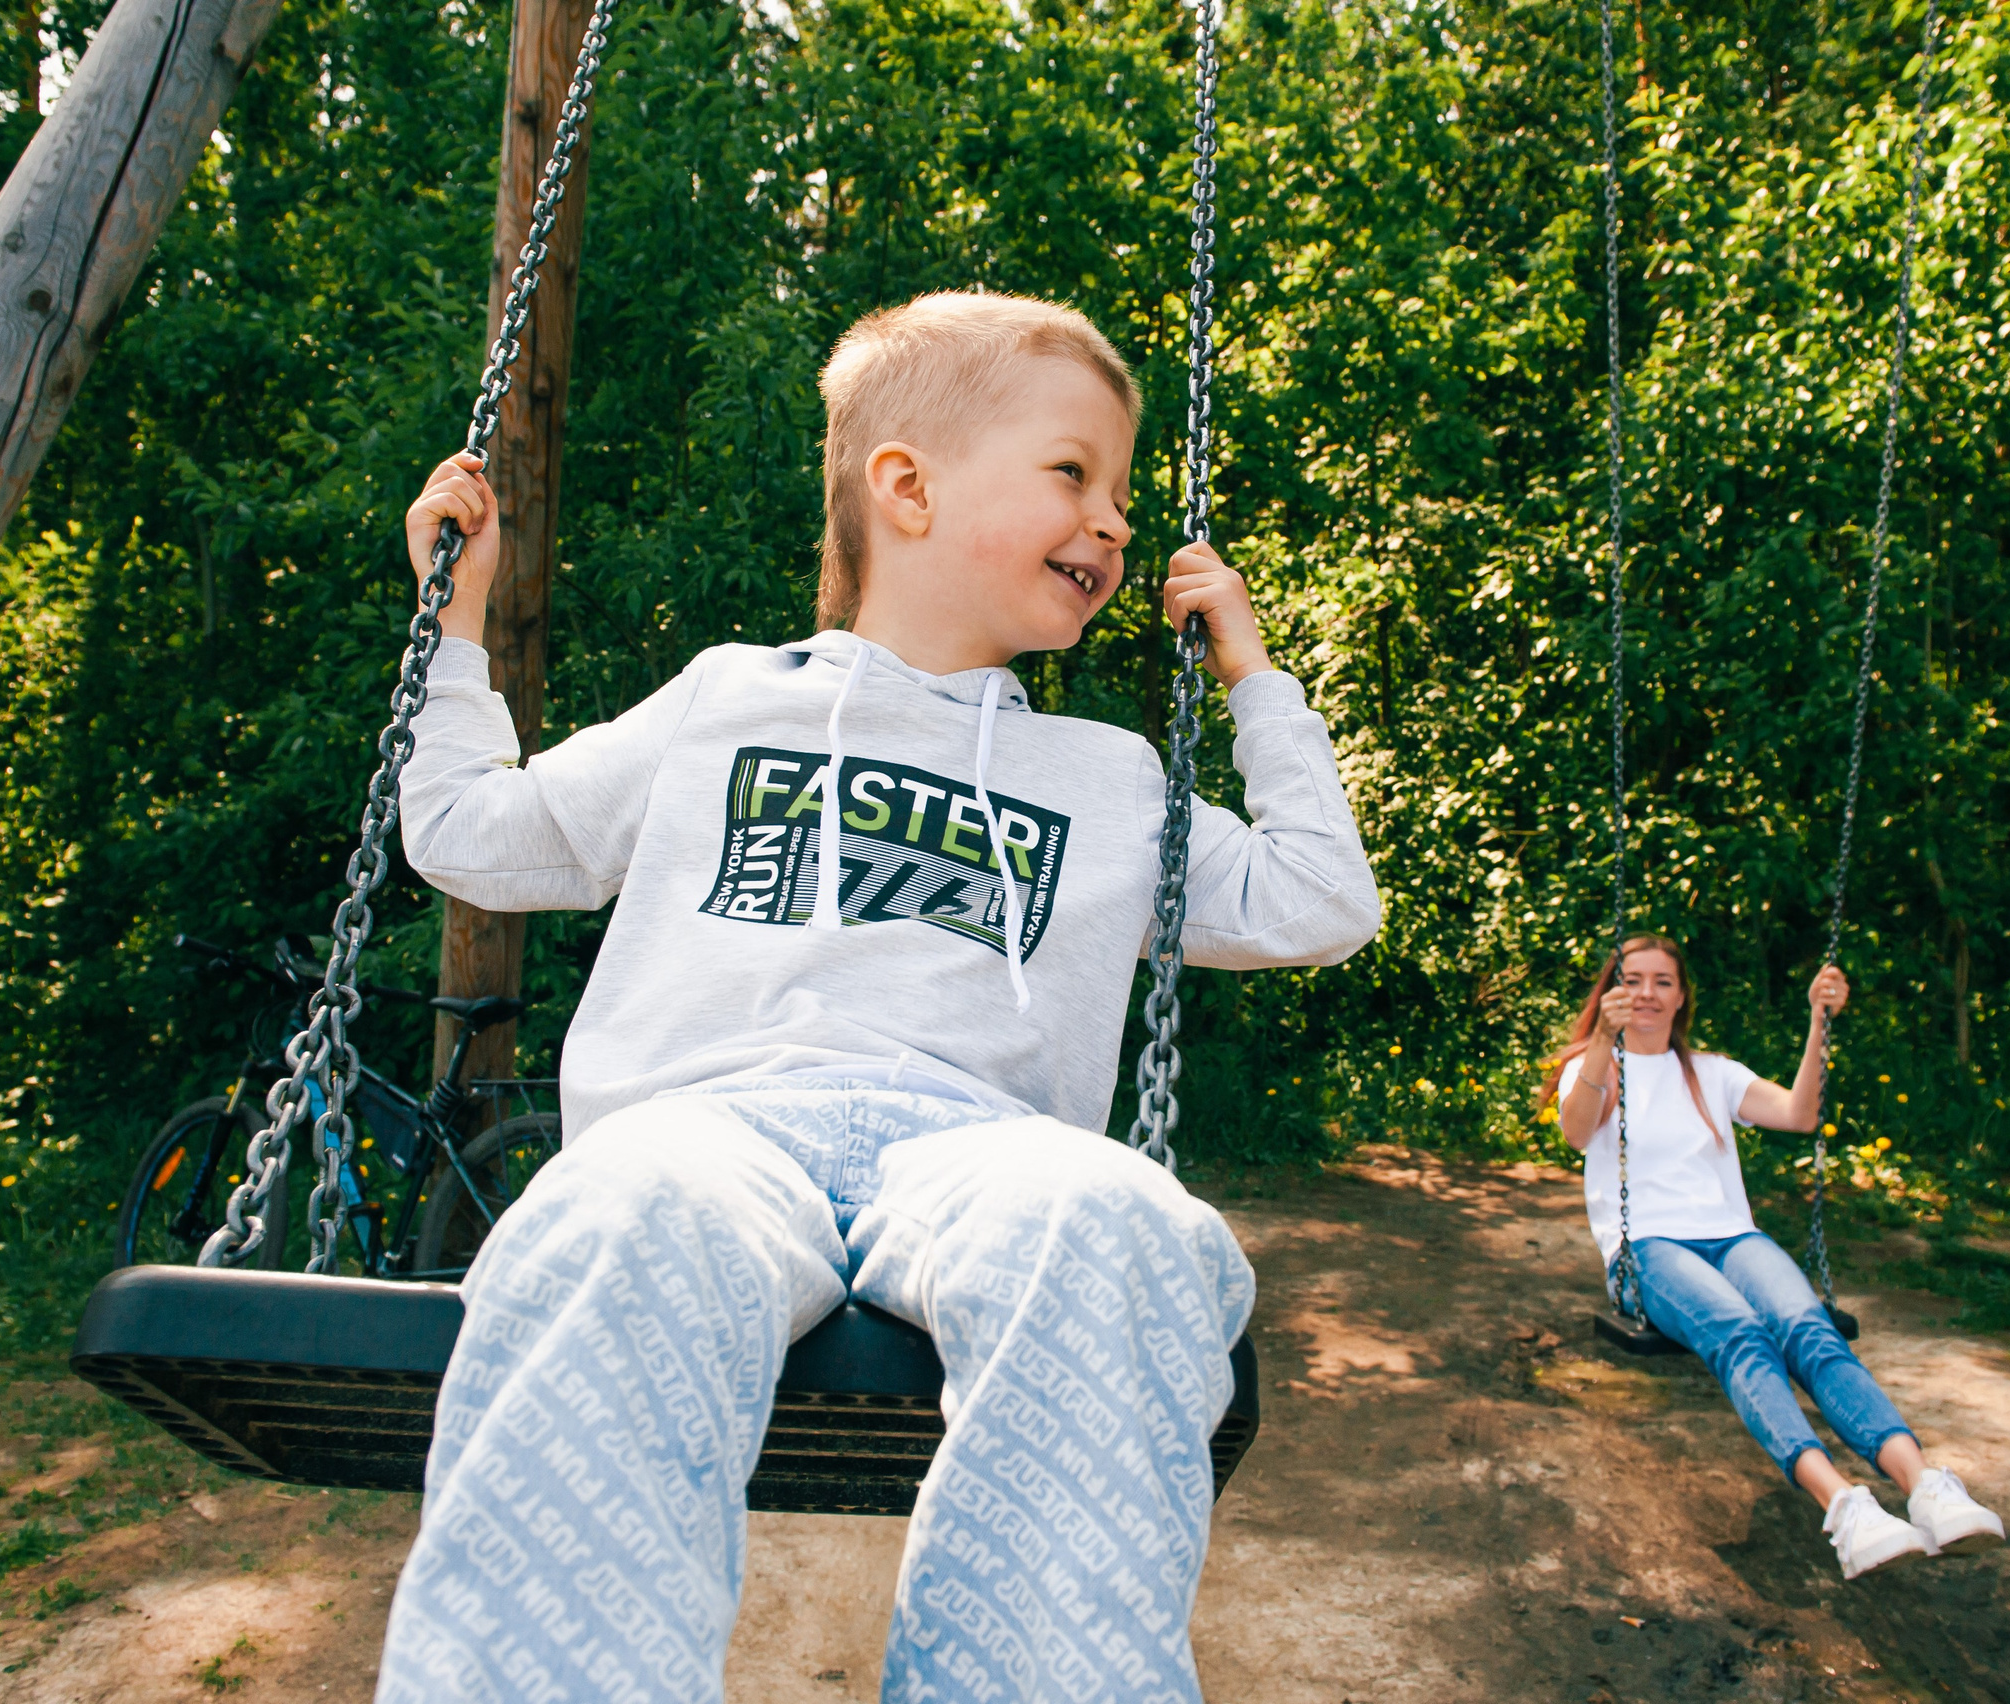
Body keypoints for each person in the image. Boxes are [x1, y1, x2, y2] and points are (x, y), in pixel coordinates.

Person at [379, 290, 1382, 1701]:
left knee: (1122, 1225)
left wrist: (1256, 681)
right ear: (903, 486)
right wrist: (456, 624)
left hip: (983, 1148)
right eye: (1072, 474)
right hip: (708, 1125)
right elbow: (475, 833)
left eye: (1121, 493)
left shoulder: (1107, 778)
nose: (1114, 524)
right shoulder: (728, 700)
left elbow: (1319, 901)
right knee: (614, 1218)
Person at [1545, 935, 2006, 1580]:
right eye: (1633, 981)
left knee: (1808, 1329)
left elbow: (1799, 1113)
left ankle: (1927, 1486)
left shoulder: (1711, 1071)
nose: (1647, 994)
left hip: (1732, 1238)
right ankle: (1845, 1506)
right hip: (1645, 1250)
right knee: (1742, 1333)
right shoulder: (1594, 1066)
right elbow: (1575, 1129)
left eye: (1663, 982)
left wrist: (1819, 1024)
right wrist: (1603, 1040)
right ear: (1612, 992)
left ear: (1682, 999)